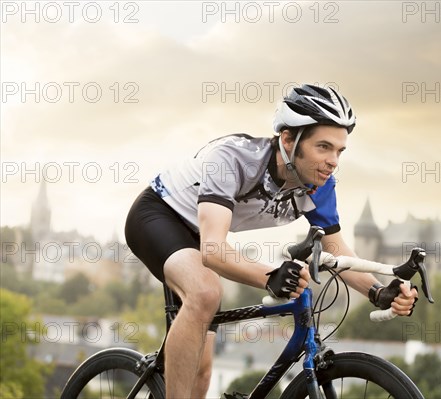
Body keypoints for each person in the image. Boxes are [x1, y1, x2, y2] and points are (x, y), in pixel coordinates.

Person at [124, 84, 419, 398]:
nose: (333, 161)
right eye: (323, 147)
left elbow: (335, 249)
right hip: (159, 215)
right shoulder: (234, 158)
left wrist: (376, 291)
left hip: (202, 234)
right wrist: (269, 276)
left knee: (202, 371)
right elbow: (212, 249)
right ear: (289, 139)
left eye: (339, 150)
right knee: (205, 291)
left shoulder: (320, 185)